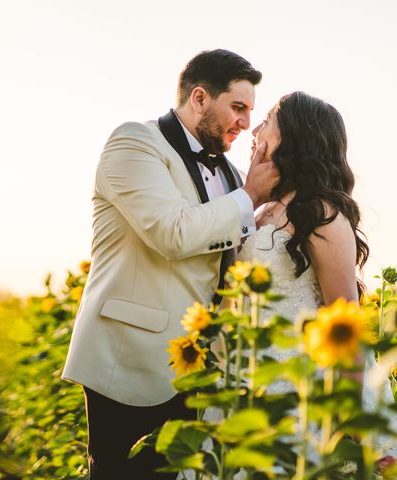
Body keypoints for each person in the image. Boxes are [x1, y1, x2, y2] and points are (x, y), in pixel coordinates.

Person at [61, 49, 279, 480]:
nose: (245, 122)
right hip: (129, 359)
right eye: (237, 107)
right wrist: (251, 198)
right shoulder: (134, 143)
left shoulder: (234, 177)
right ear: (199, 98)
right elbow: (171, 233)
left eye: (250, 111)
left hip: (200, 370)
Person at [194, 91, 397, 478]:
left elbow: (344, 325)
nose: (255, 128)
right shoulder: (258, 211)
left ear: (295, 135)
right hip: (243, 392)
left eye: (270, 119)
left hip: (299, 398)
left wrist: (354, 419)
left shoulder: (321, 212)